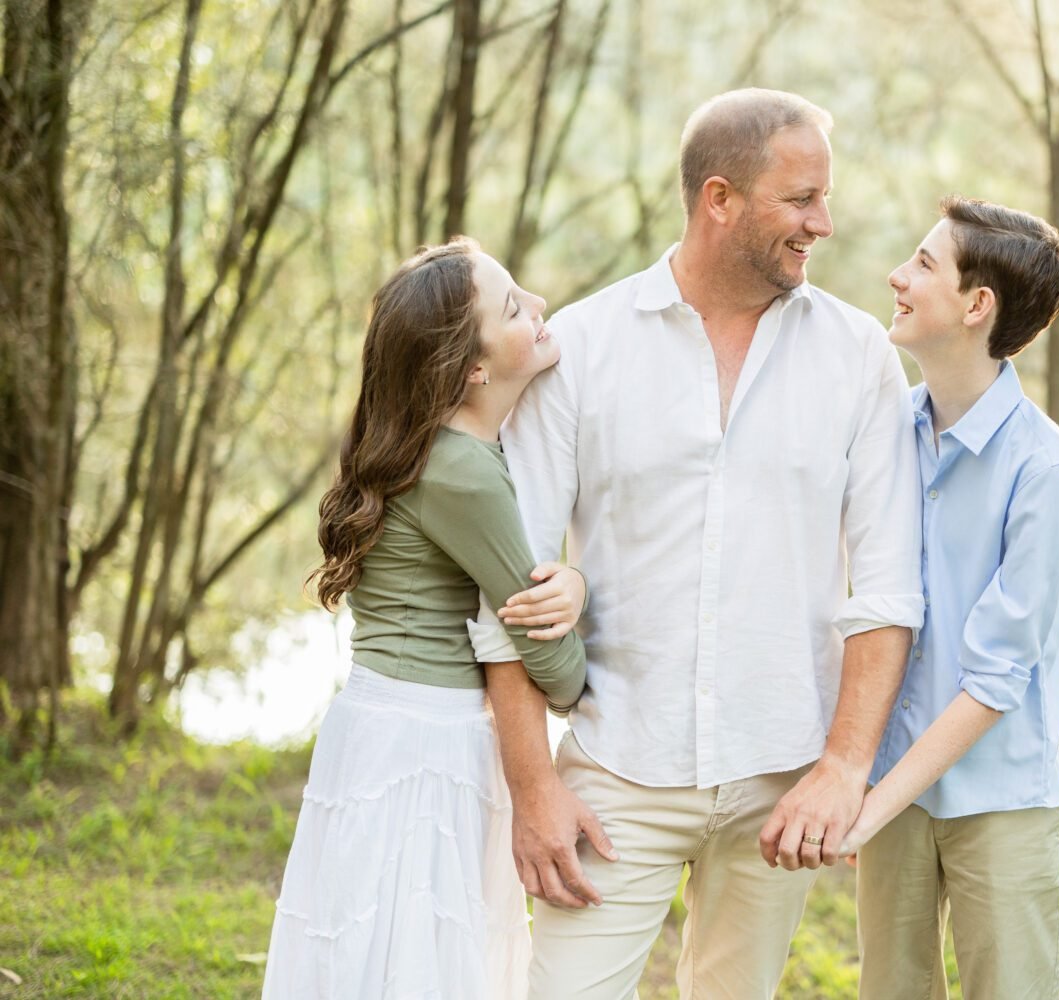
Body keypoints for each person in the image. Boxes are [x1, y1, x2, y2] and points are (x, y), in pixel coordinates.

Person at [485, 88, 924, 999]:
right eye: (800, 200)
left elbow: (886, 586)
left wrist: (842, 768)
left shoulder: (859, 358)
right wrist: (533, 788)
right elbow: (507, 588)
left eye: (825, 197)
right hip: (617, 768)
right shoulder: (582, 348)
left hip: (782, 777)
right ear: (719, 199)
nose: (825, 223)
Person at [262, 238, 589, 999]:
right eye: (513, 306)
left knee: (370, 952)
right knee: (420, 961)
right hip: (428, 747)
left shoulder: (426, 448)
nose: (539, 307)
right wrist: (579, 590)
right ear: (473, 367)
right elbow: (560, 673)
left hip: (377, 726)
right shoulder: (464, 471)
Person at [840, 197, 1059, 1000]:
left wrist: (869, 807)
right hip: (892, 792)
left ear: (977, 306)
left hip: (1003, 804)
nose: (896, 275)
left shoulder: (1044, 473)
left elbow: (994, 679)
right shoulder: (887, 436)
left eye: (922, 263)